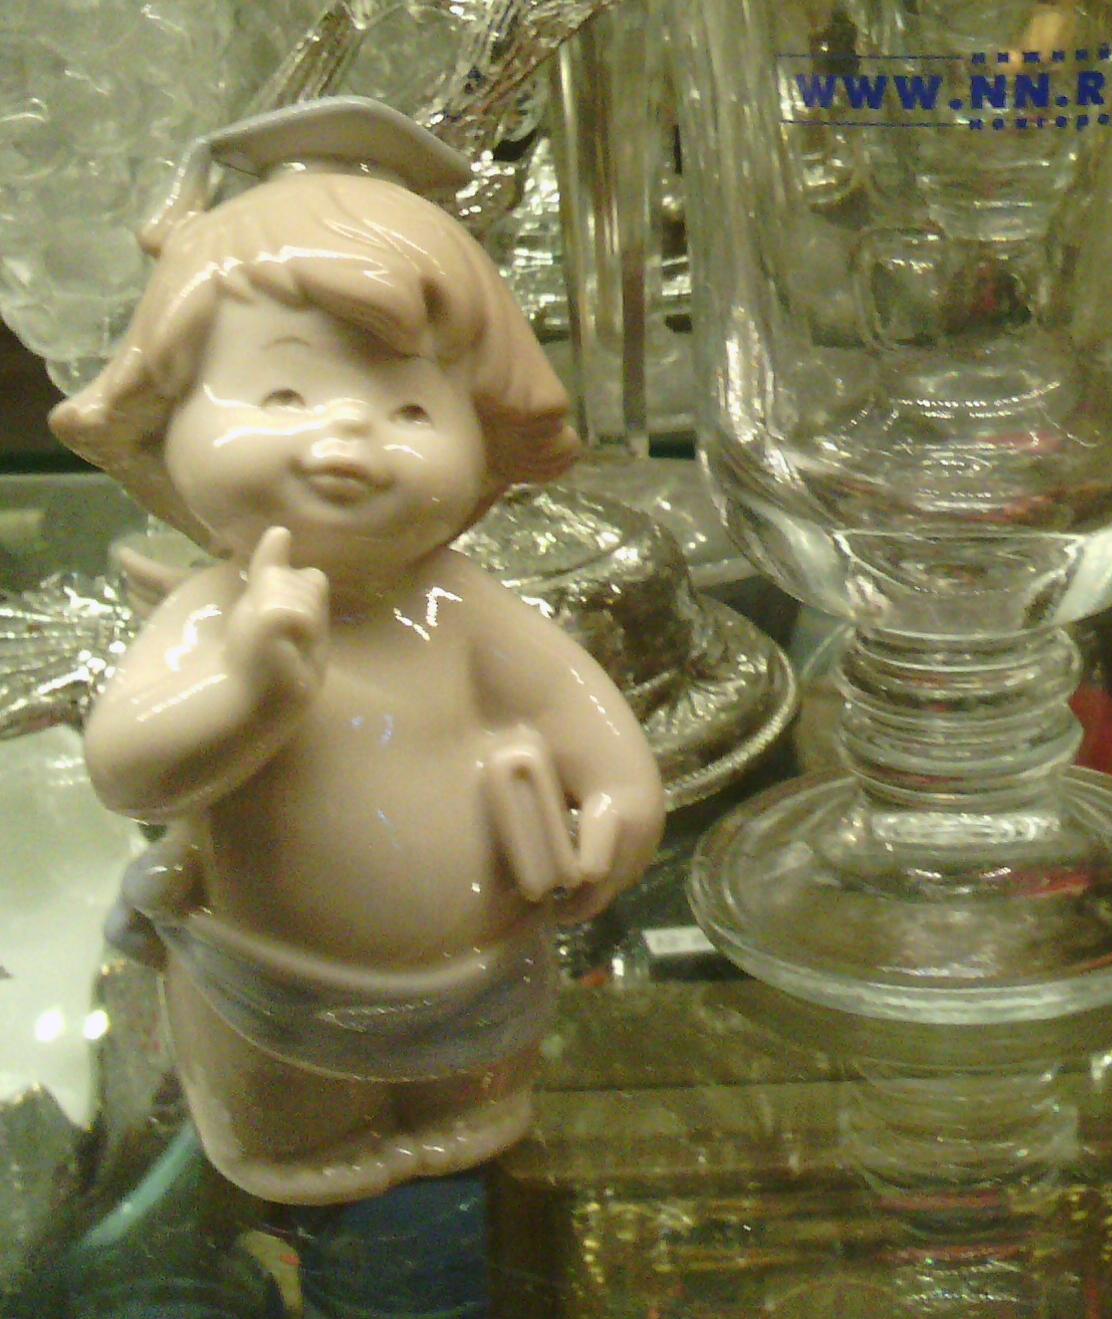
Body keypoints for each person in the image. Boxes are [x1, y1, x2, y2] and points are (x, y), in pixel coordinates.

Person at [52, 100, 664, 1205]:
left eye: (409, 407)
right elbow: (127, 770)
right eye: (283, 392)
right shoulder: (216, 613)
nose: (347, 435)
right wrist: (247, 693)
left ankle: (460, 1107)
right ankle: (284, 1141)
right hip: (277, 982)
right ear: (167, 416)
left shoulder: (460, 607)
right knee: (295, 1106)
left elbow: (578, 714)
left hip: (479, 970)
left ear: (485, 434)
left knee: (471, 1085)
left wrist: (621, 798)